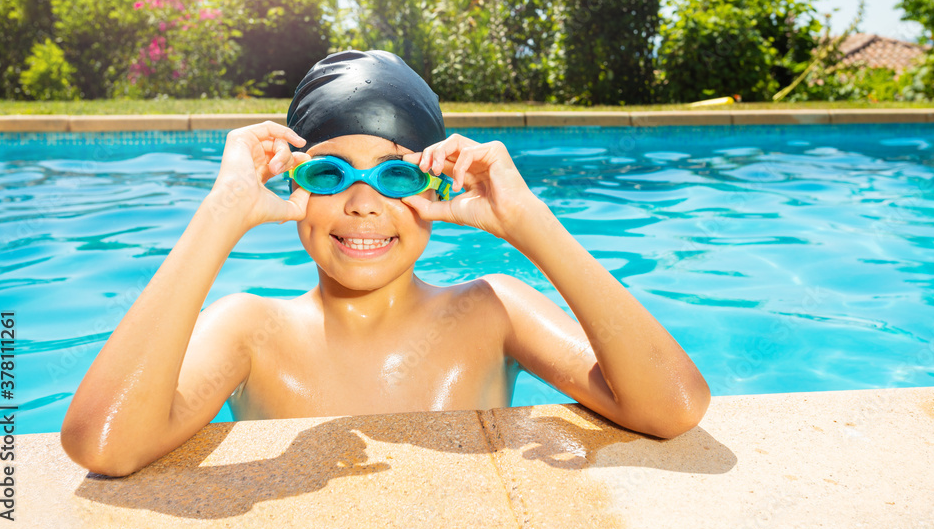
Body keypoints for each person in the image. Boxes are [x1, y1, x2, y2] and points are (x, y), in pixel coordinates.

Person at [61, 50, 710, 477]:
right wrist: (223, 209)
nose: (364, 203)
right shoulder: (249, 331)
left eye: (397, 174)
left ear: (435, 188)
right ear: (293, 187)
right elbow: (104, 444)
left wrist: (530, 222)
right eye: (329, 171)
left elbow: (672, 405)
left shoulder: (494, 309)